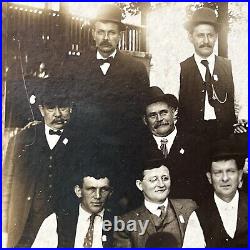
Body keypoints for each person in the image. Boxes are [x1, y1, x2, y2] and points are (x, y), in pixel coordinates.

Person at [3, 77, 91, 248]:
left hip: (66, 227)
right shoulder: (21, 140)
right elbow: (6, 186)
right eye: (51, 107)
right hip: (25, 224)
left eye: (63, 107)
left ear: (71, 108)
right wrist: (5, 226)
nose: (57, 114)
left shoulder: (83, 142)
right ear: (41, 110)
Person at [140, 86, 209, 203]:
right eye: (153, 115)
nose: (159, 119)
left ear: (174, 113)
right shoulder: (138, 148)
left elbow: (203, 187)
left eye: (163, 113)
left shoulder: (196, 144)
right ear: (145, 120)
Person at [178, 7, 237, 141]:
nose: (206, 41)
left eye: (210, 35)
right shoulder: (181, 68)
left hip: (224, 137)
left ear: (216, 37)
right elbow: (174, 109)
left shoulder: (229, 67)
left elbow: (240, 104)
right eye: (200, 35)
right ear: (190, 37)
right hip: (192, 139)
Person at [113, 156, 197, 248]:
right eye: (154, 180)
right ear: (140, 185)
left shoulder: (189, 208)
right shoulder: (125, 222)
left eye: (165, 178)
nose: (161, 184)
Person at [183, 138, 248, 247]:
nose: (225, 178)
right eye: (218, 173)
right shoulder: (199, 216)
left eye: (230, 171)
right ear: (209, 178)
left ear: (240, 175)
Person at [31, 165, 115, 248]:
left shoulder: (117, 223)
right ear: (78, 191)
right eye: (91, 189)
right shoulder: (55, 221)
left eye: (104, 189)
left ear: (110, 193)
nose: (97, 196)